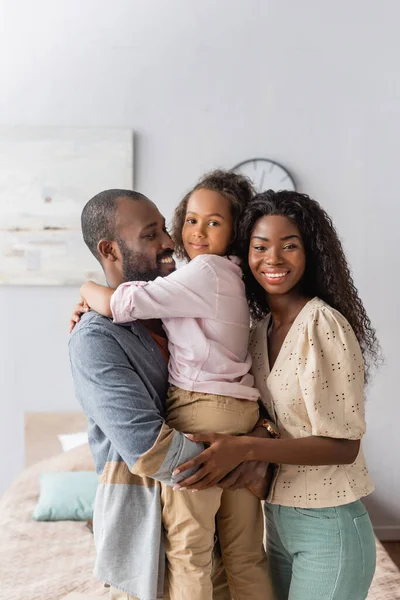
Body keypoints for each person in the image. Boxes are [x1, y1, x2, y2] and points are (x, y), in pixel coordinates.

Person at [77, 171, 273, 600]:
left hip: (214, 508)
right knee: (212, 556)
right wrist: (234, 459)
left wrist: (252, 446)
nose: (171, 240)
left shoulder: (178, 299)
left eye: (167, 226)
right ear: (109, 249)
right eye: (154, 233)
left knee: (220, 556)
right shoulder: (97, 337)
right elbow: (146, 446)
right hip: (152, 542)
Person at [175, 190, 381, 600]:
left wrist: (244, 448)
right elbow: (276, 419)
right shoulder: (257, 331)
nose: (273, 259)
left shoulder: (322, 324)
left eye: (290, 246)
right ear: (244, 253)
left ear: (311, 253)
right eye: (260, 246)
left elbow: (344, 446)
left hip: (329, 526)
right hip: (277, 520)